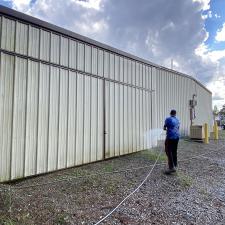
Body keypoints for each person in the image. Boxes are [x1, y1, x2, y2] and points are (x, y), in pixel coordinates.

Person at [163, 109, 180, 174]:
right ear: (175, 114)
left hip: (170, 137)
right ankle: (175, 165)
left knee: (168, 151)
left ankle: (171, 168)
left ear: (170, 113)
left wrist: (165, 129)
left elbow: (164, 127)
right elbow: (178, 128)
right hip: (177, 137)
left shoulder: (168, 119)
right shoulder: (177, 120)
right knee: (174, 151)